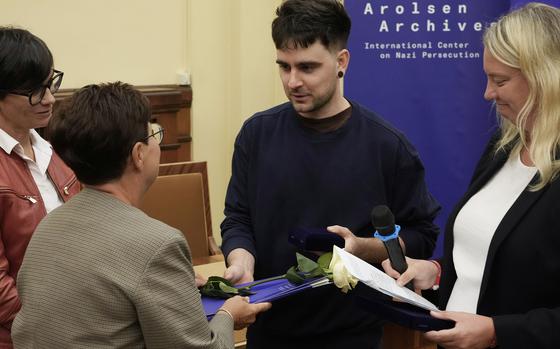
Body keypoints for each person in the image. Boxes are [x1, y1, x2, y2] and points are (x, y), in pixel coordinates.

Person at [220, 0, 441, 348]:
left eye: (307, 67)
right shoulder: (256, 134)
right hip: (267, 330)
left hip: (353, 336)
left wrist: (364, 248)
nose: (293, 81)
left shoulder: (387, 146)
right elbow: (238, 218)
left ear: (341, 62)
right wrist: (240, 259)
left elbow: (422, 235)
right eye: (284, 67)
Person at [11, 82, 270, 348]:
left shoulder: (47, 226)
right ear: (138, 154)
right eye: (152, 135)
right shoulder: (158, 244)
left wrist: (174, 285)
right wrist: (228, 314)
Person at [382, 3, 560, 349]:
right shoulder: (502, 147)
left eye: (500, 80)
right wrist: (436, 271)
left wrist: (497, 332)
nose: (488, 93)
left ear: (545, 76)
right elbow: (488, 259)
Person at [0, 27, 80, 348]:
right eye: (35, 90)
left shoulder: (51, 148)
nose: (49, 98)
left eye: (50, 84)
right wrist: (43, 329)